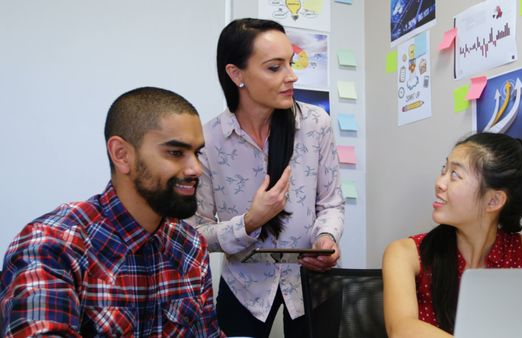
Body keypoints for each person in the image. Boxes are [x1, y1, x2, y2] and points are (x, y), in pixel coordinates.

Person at [0, 87, 223, 337]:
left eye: (197, 153)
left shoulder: (191, 246)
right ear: (122, 155)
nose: (196, 169)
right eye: (175, 153)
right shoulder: (51, 246)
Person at [188, 18, 344, 338]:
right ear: (236, 74)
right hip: (243, 289)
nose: (292, 76)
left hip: (314, 287)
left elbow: (331, 203)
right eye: (275, 68)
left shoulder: (315, 124)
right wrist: (249, 222)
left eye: (291, 63)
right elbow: (196, 233)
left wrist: (326, 239)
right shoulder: (209, 140)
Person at [383, 132, 522, 338]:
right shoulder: (405, 253)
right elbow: (401, 329)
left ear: (493, 201)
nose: (439, 182)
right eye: (444, 170)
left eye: (455, 175)